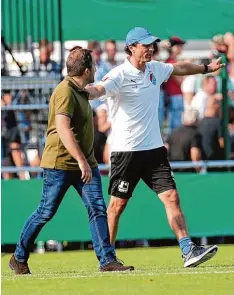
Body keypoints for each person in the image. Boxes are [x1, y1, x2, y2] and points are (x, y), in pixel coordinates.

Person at [85, 27, 225, 268]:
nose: (150, 48)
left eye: (152, 44)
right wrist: (79, 89)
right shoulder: (118, 75)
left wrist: (206, 69)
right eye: (145, 45)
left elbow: (180, 68)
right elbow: (98, 90)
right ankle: (107, 258)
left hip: (154, 151)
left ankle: (188, 250)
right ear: (131, 47)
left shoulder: (155, 69)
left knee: (172, 196)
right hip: (125, 153)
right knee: (117, 206)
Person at [8, 46, 134, 275]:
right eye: (94, 66)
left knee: (97, 208)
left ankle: (107, 260)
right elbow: (63, 129)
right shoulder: (65, 91)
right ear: (86, 70)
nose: (96, 69)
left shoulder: (81, 90)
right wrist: (82, 161)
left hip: (84, 162)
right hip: (61, 164)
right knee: (45, 211)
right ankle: (18, 257)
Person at [163, 36, 186, 131]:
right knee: (175, 127)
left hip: (174, 97)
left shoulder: (170, 62)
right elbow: (180, 80)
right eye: (179, 46)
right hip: (174, 97)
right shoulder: (171, 63)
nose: (181, 48)